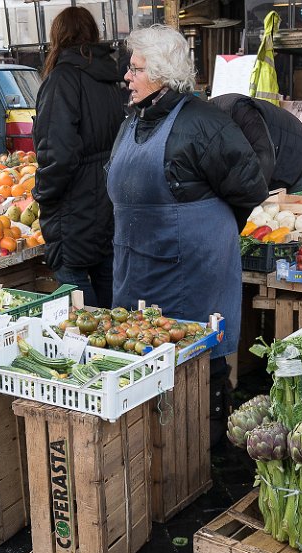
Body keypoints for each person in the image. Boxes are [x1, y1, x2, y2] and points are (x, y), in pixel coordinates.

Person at [108, 25, 269, 443]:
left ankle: (206, 442)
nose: (127, 76)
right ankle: (153, 444)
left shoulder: (203, 123)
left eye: (136, 69)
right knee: (140, 348)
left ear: (161, 74)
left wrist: (206, 223)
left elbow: (250, 187)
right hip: (136, 261)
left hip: (190, 267)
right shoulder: (133, 120)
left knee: (198, 355)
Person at [32, 7, 126, 308]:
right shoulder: (108, 80)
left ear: (57, 37)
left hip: (74, 200)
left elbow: (56, 151)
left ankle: (94, 335)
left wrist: (43, 194)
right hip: (107, 193)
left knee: (70, 274)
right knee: (104, 272)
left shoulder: (63, 78)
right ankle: (113, 332)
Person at [212, 93, 302, 193]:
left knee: (287, 201)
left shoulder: (240, 111)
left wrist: (246, 196)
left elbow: (264, 156)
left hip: (297, 147)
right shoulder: (210, 120)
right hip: (277, 148)